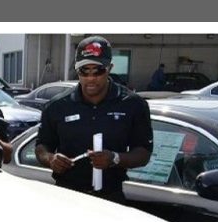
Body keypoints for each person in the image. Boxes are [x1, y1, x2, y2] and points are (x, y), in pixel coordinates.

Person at [34, 36, 153, 203]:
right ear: (77, 71)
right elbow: (41, 146)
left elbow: (143, 153)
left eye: (98, 71)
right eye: (84, 71)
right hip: (66, 197)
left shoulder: (133, 104)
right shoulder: (57, 106)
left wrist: (115, 159)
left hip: (111, 199)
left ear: (109, 68)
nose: (91, 78)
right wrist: (51, 159)